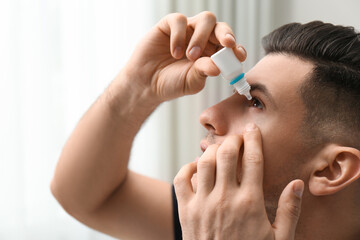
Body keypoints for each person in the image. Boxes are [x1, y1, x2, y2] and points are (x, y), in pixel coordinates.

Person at [50, 11, 360, 240]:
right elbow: (86, 197)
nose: (209, 114)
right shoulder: (221, 221)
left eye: (255, 103)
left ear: (332, 169)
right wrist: (136, 87)